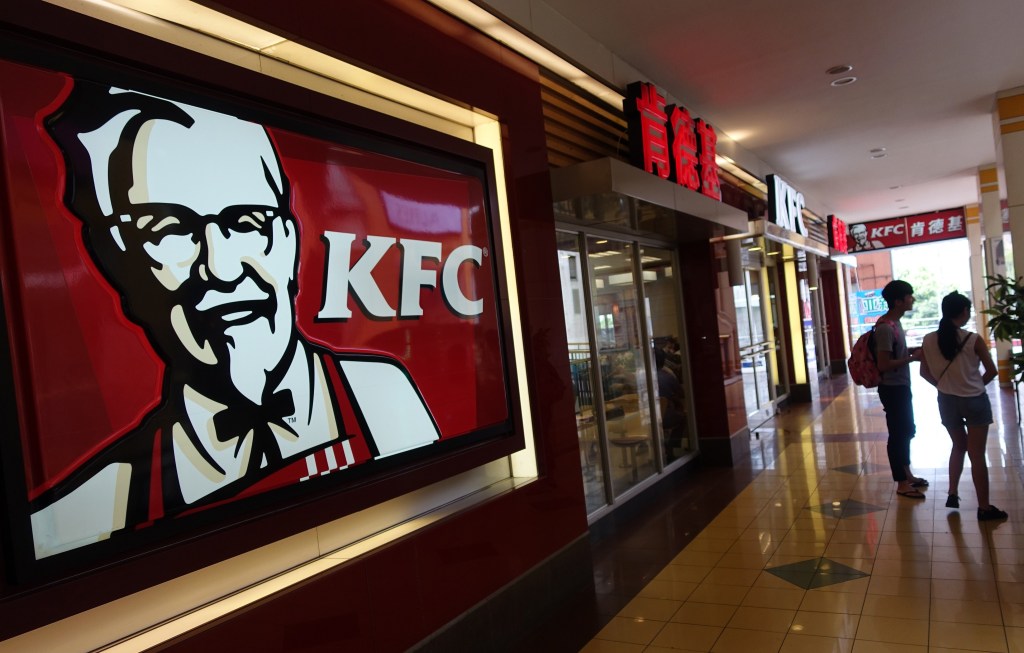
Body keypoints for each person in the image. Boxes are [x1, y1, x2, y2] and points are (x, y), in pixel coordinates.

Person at [31, 81, 441, 559]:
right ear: (118, 266)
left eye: (246, 222)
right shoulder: (94, 513)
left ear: (288, 242)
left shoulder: (383, 397)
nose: (222, 268)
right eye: (169, 229)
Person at [919, 292, 1007, 520]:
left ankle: (952, 492)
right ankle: (984, 507)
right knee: (977, 455)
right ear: (965, 311)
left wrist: (944, 385)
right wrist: (974, 386)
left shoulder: (928, 339)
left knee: (958, 446)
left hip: (947, 401)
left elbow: (924, 372)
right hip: (974, 400)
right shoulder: (973, 339)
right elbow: (991, 371)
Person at [874, 280, 926, 499]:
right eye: (909, 296)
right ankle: (902, 483)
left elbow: (895, 354)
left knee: (906, 431)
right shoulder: (886, 328)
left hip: (901, 386)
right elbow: (884, 364)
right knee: (898, 435)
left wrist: (909, 352)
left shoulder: (895, 323)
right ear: (898, 301)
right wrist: (911, 358)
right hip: (892, 388)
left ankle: (907, 474)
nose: (912, 299)